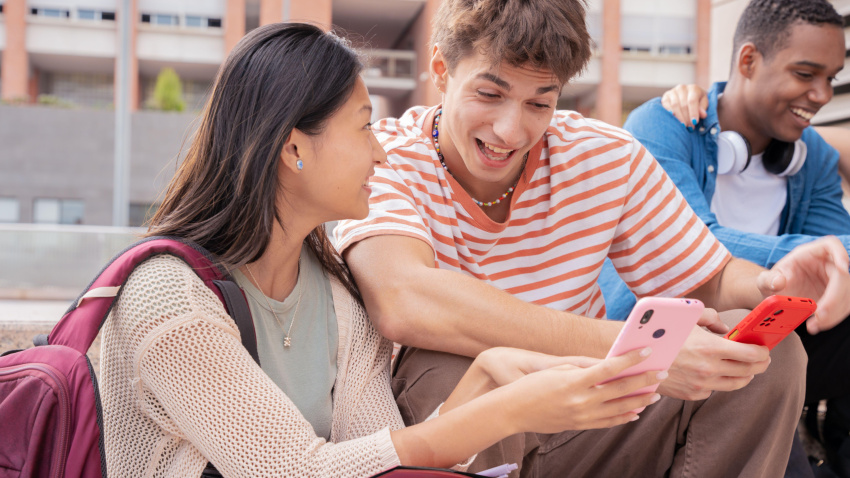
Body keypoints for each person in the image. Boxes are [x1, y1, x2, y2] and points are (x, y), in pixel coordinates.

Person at [98, 22, 668, 478]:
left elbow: (382, 456)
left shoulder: (335, 298)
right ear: (294, 147)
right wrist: (514, 409)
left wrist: (490, 374)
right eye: (364, 128)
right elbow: (296, 470)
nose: (381, 154)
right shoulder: (168, 296)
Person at [333, 0, 850, 476]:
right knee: (446, 362)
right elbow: (404, 300)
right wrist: (642, 352)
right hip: (464, 422)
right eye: (489, 94)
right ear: (442, 68)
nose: (511, 131)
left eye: (540, 102)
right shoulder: (385, 157)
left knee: (766, 357)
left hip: (597, 414)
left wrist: (773, 280)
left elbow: (709, 278)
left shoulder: (605, 155)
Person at [595, 0, 850, 475]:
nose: (820, 94)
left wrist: (829, 261)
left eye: (831, 78)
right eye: (805, 73)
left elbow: (841, 250)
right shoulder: (663, 126)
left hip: (769, 337)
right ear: (748, 61)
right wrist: (805, 257)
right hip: (669, 339)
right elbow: (690, 251)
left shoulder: (810, 153)